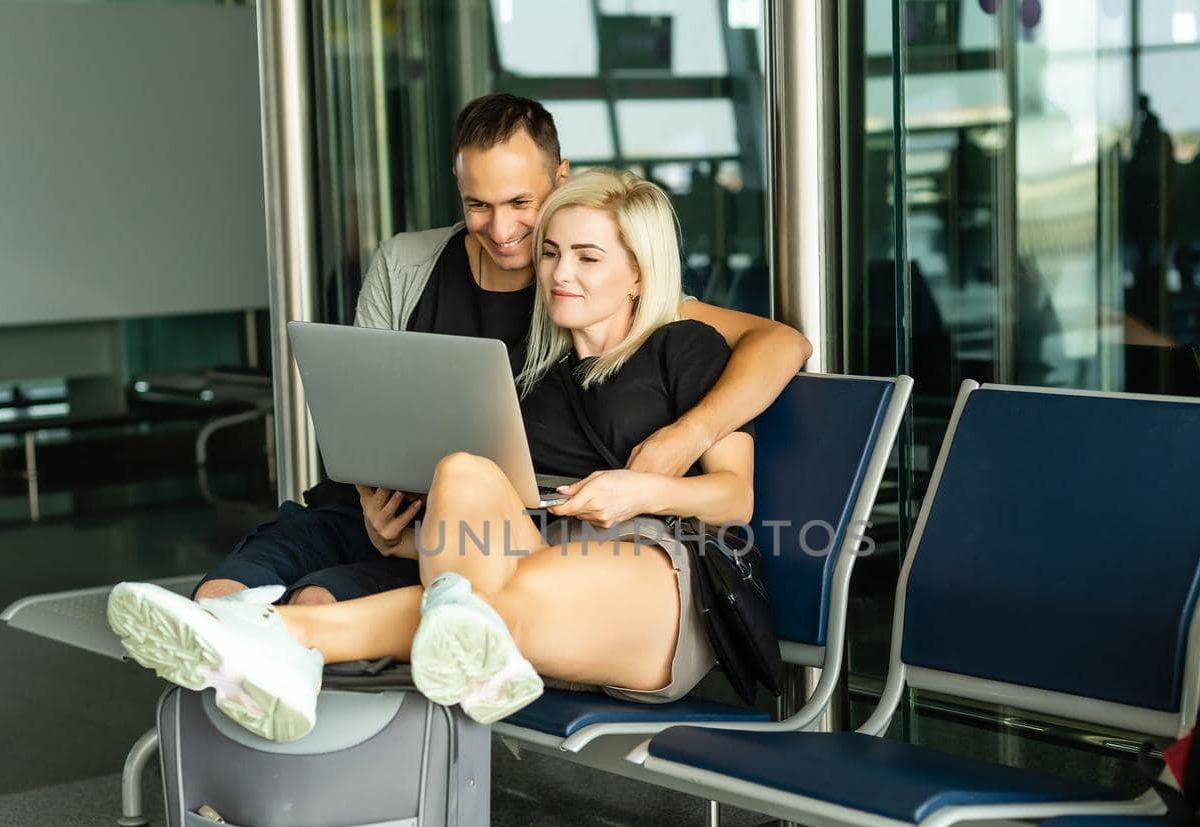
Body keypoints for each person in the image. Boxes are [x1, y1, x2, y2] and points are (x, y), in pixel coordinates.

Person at [94, 92, 806, 827]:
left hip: (620, 558)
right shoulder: (513, 337)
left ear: (626, 260)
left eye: (568, 245)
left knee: (441, 603)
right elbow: (454, 460)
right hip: (467, 535)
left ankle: (279, 634)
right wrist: (418, 525)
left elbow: (742, 462)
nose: (543, 258)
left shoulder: (675, 336)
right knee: (434, 516)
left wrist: (659, 468)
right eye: (546, 248)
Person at [110, 166, 753, 736]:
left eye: (588, 258)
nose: (560, 274)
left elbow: (735, 497)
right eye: (552, 253)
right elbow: (499, 531)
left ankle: (274, 638)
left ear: (638, 270)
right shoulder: (534, 377)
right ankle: (439, 649)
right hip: (540, 566)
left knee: (488, 604)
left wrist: (639, 489)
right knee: (463, 472)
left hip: (656, 577)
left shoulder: (685, 346)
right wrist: (411, 545)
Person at [195, 92, 808, 609]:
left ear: (561, 182)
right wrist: (370, 503)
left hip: (478, 538)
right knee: (220, 597)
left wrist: (689, 435)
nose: (503, 229)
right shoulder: (408, 263)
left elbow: (780, 342)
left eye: (522, 204)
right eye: (478, 206)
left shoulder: (584, 288)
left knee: (315, 606)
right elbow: (363, 412)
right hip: (377, 516)